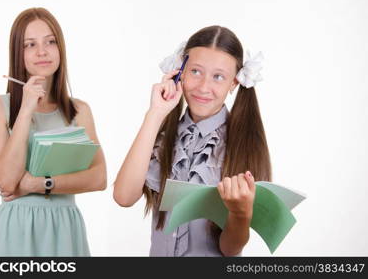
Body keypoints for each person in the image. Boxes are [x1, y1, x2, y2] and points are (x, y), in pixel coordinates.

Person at [113, 25, 271, 256]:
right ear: (181, 71)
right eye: (196, 71)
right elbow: (124, 197)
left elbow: (230, 249)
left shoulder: (242, 146)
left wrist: (241, 214)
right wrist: (156, 113)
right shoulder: (162, 134)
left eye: (218, 77)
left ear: (233, 83)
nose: (204, 87)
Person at [0, 7, 107, 256]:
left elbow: (99, 178)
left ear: (60, 48)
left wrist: (39, 184)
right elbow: (6, 180)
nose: (42, 52)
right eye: (30, 44)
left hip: (66, 229)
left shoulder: (78, 110)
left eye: (50, 42)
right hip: (15, 231)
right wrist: (26, 109)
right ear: (18, 53)